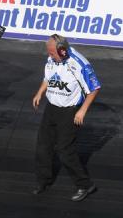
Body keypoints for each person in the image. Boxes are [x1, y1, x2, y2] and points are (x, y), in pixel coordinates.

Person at [31, 34, 100, 202]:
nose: (49, 55)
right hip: (52, 107)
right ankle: (44, 180)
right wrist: (40, 92)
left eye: (52, 53)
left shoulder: (79, 63)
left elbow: (94, 88)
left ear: (62, 51)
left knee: (64, 151)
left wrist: (82, 111)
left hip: (70, 111)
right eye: (49, 52)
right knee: (43, 147)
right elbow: (48, 77)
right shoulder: (51, 58)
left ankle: (85, 185)